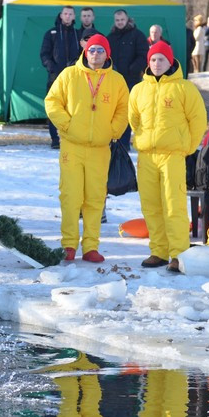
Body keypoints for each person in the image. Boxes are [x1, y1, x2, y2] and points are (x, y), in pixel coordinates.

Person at [44, 34, 129, 263]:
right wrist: (67, 125)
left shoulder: (117, 80)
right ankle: (69, 244)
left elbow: (124, 109)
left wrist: (113, 131)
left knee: (95, 198)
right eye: (92, 50)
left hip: (100, 149)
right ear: (85, 52)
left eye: (100, 50)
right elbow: (52, 102)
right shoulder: (69, 75)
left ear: (107, 54)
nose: (95, 54)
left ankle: (91, 246)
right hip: (72, 147)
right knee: (71, 197)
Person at [129, 41, 207, 272]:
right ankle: (159, 251)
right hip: (146, 157)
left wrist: (188, 147)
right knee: (151, 206)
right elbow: (133, 118)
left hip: (172, 155)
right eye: (153, 59)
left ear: (170, 61)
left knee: (174, 205)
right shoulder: (139, 89)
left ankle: (178, 254)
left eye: (161, 59)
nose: (156, 64)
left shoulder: (184, 88)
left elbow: (198, 120)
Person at [106, 9, 148, 151]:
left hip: (131, 80)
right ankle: (113, 141)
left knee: (127, 111)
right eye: (117, 20)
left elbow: (143, 56)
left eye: (122, 20)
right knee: (112, 110)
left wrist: (133, 69)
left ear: (127, 19)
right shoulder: (110, 37)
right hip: (113, 80)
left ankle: (123, 143)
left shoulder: (137, 35)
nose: (120, 23)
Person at [40, 5, 80, 149]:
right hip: (55, 78)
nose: (68, 16)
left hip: (74, 78)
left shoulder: (77, 34)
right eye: (65, 14)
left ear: (74, 17)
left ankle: (70, 137)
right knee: (54, 107)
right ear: (61, 15)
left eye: (70, 14)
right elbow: (44, 54)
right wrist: (52, 68)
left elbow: (82, 54)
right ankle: (55, 139)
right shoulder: (51, 33)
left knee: (73, 108)